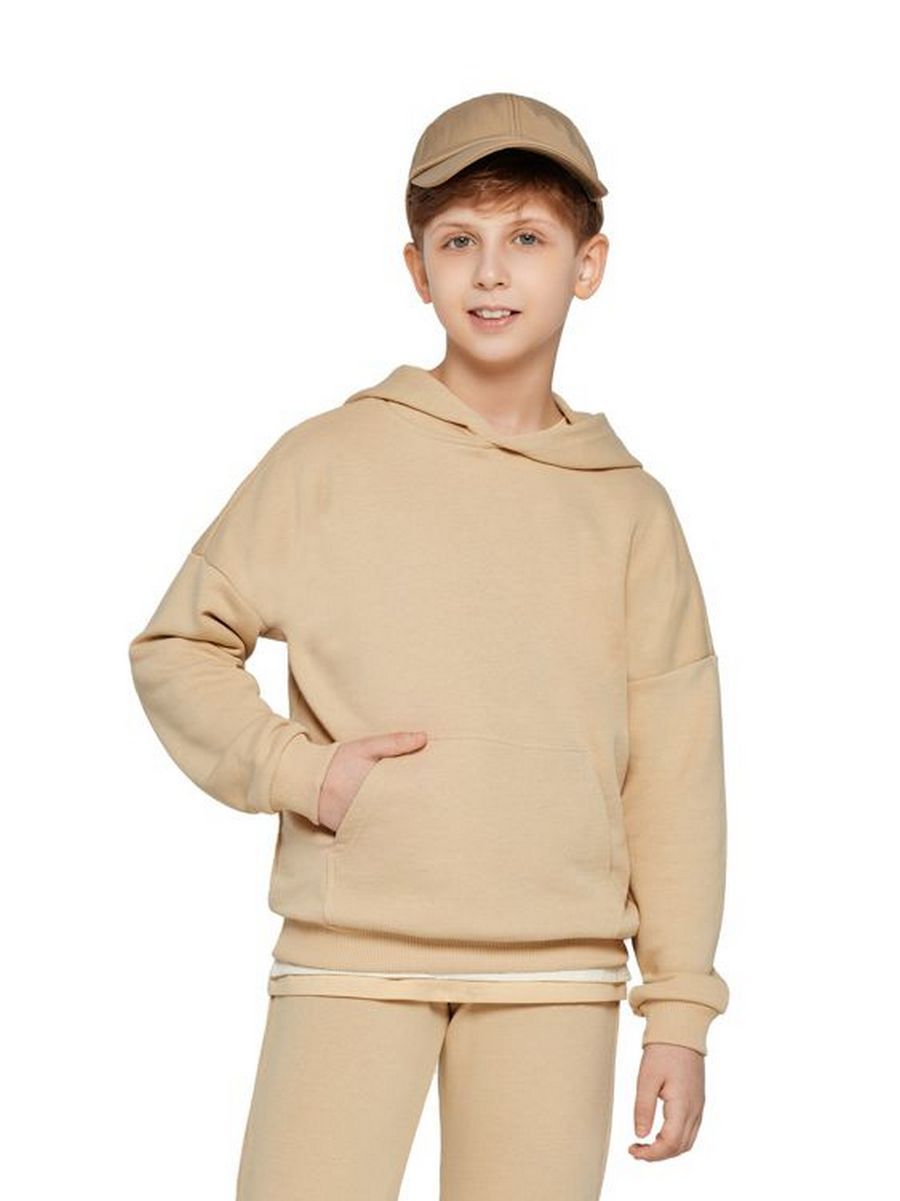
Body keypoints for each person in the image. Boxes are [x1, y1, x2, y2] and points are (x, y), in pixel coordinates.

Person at [128, 91, 730, 1200]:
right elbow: (178, 643)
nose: (491, 272)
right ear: (417, 270)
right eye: (459, 241)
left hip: (559, 974)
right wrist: (300, 771)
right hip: (352, 951)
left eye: (528, 238)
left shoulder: (630, 509)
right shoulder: (328, 462)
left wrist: (679, 1008)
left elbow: (678, 769)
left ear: (589, 265)